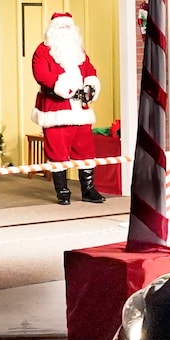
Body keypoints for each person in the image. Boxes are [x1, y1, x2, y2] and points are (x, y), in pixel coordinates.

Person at [31, 11, 105, 205]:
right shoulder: (42, 51)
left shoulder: (78, 51)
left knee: (86, 151)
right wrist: (61, 87)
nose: (65, 31)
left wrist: (91, 85)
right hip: (57, 109)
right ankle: (62, 191)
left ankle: (88, 189)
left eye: (68, 28)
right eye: (61, 28)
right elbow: (41, 74)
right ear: (52, 30)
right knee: (57, 152)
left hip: (80, 110)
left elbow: (89, 70)